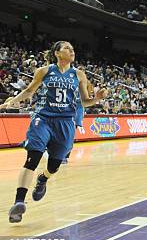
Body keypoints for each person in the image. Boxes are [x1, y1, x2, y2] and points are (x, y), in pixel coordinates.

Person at [0, 41, 107, 223]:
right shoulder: (44, 71)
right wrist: (13, 101)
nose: (72, 51)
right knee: (32, 158)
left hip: (65, 122)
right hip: (43, 119)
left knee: (54, 165)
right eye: (67, 48)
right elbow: (29, 90)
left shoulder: (79, 74)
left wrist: (95, 99)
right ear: (57, 53)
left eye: (73, 48)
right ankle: (18, 203)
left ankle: (43, 179)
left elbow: (83, 102)